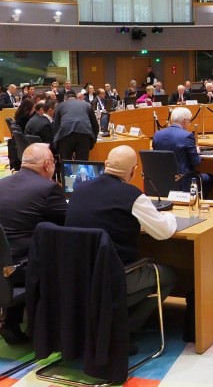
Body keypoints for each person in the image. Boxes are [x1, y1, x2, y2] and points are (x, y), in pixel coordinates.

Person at [64, 145, 179, 342]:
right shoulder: (133, 196)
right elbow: (163, 232)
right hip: (113, 275)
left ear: (105, 164)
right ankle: (125, 330)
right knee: (169, 275)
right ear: (134, 171)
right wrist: (170, 217)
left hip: (76, 275)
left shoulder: (79, 189)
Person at [0, 142, 67, 344]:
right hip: (26, 267)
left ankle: (13, 321)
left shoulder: (2, 184)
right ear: (47, 164)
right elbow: (69, 222)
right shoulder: (48, 188)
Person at [152, 107, 213, 198]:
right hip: (183, 179)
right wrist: (196, 152)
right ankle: (196, 201)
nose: (189, 124)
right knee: (211, 178)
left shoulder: (157, 135)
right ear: (185, 120)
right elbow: (196, 162)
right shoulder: (187, 136)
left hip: (162, 179)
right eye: (189, 121)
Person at [52, 92, 98, 161]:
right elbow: (95, 125)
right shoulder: (87, 105)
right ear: (76, 98)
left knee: (66, 162)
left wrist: (56, 143)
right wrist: (93, 141)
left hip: (66, 134)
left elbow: (55, 126)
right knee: (82, 162)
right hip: (84, 133)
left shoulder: (60, 106)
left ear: (65, 99)